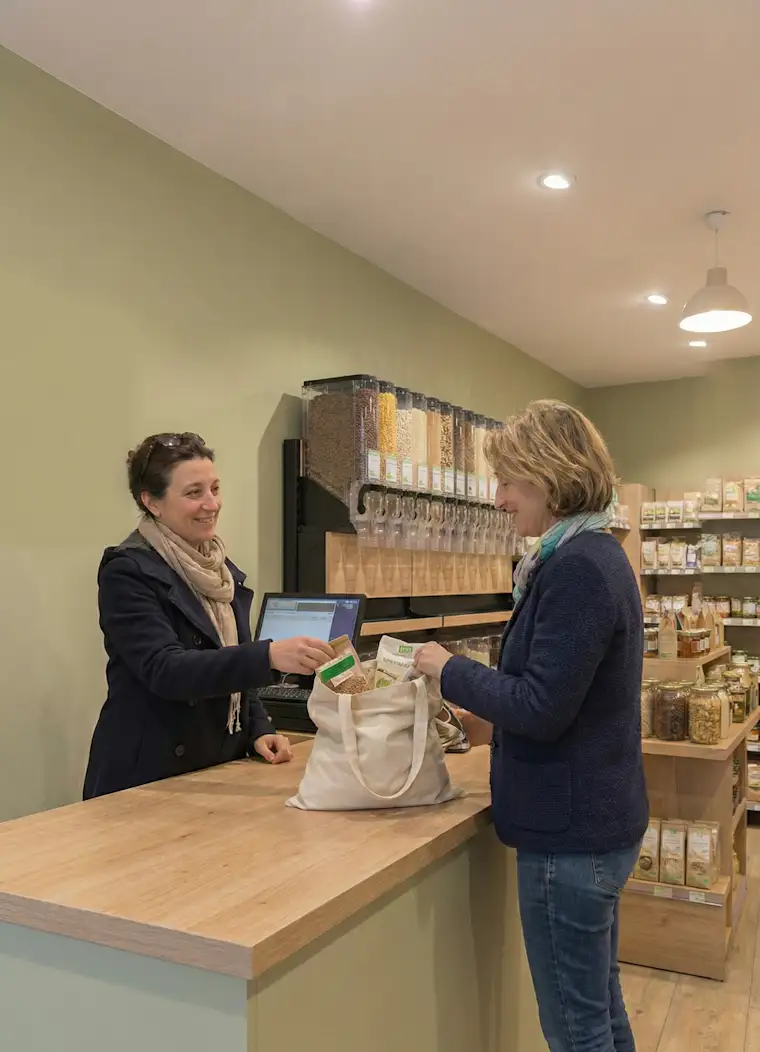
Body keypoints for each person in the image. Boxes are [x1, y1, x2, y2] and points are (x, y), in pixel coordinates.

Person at [415, 401, 648, 1052]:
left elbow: (544, 707)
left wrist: (446, 669)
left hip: (569, 838)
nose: (498, 500)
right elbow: (577, 702)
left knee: (576, 1033)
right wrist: (491, 723)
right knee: (601, 1011)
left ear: (548, 479)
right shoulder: (598, 554)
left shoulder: (576, 567)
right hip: (597, 823)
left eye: (509, 483)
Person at [83, 432, 334, 799]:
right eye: (194, 493)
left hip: (214, 769)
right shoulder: (127, 571)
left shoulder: (219, 569)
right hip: (148, 775)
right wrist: (268, 655)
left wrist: (259, 728)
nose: (211, 504)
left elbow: (233, 665)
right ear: (151, 501)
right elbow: (166, 670)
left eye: (215, 488)